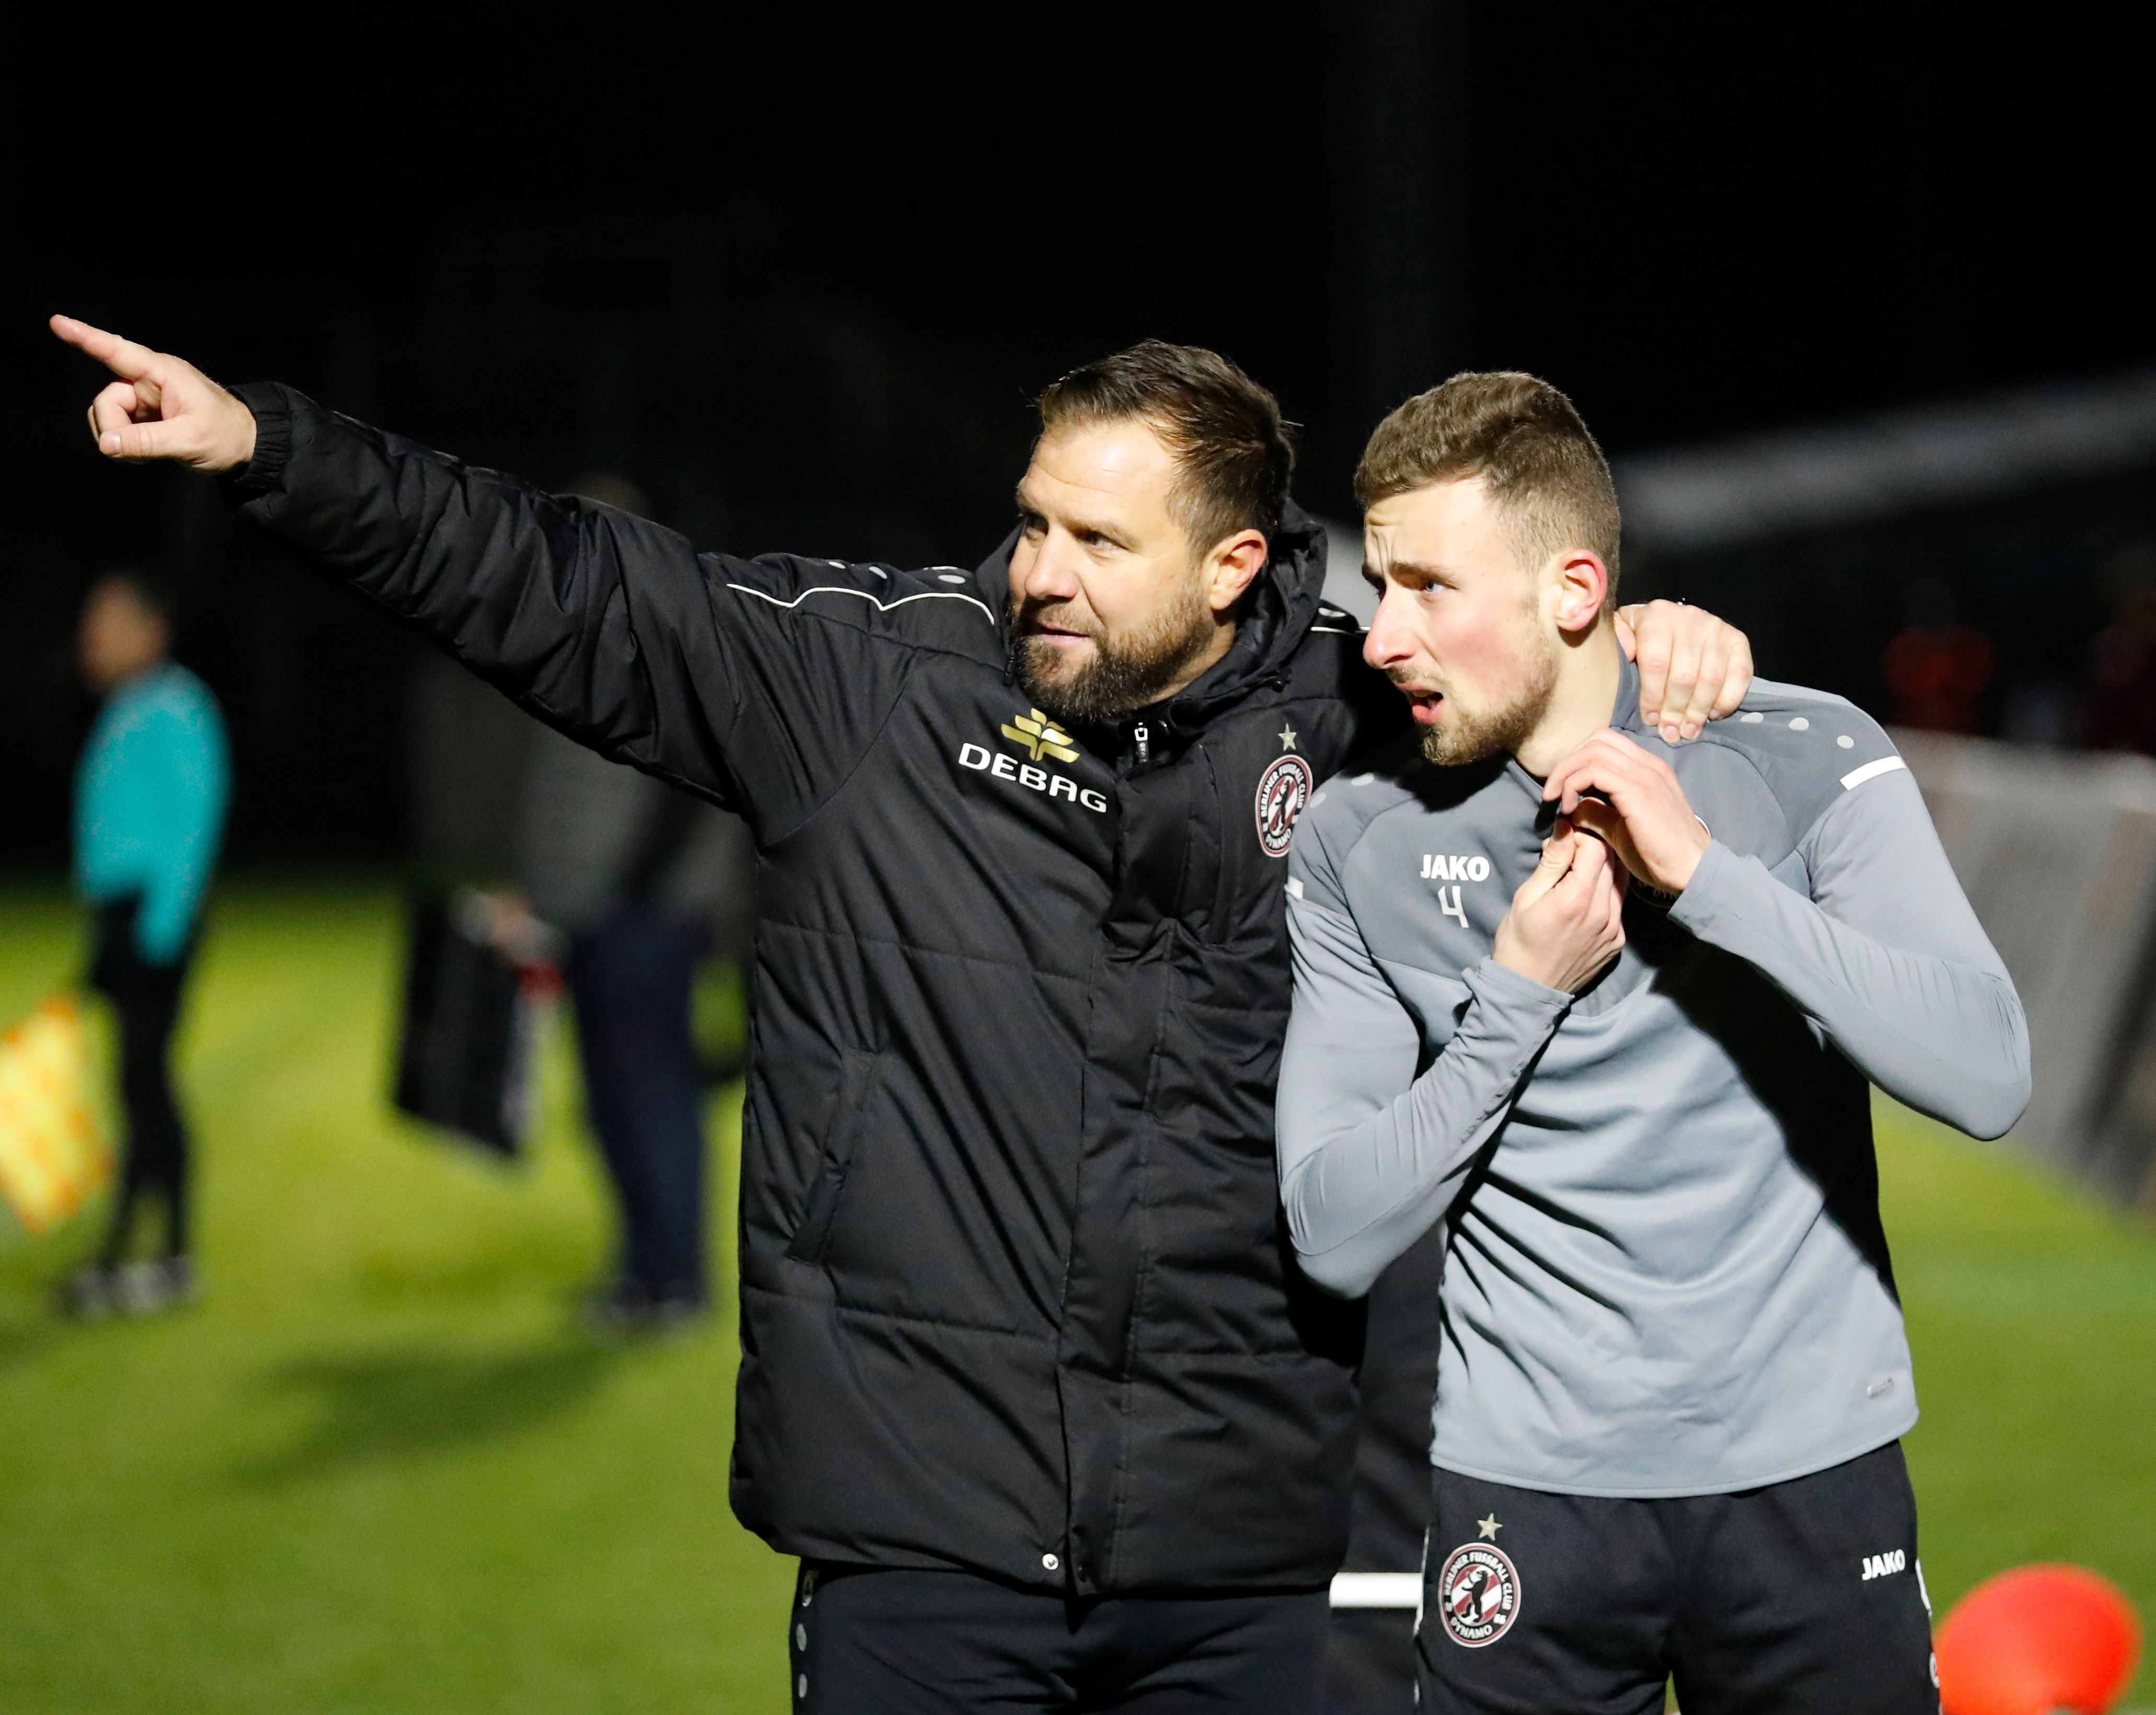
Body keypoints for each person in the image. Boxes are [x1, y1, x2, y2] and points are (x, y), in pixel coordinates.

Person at [52, 316, 1751, 1713]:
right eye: (1034, 522)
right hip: (922, 1553)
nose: (1041, 573)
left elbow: (1575, 706)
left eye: (1100, 543)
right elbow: (563, 585)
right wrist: (269, 449)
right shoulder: (869, 685)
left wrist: (1659, 657)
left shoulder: (1368, 722)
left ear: (1235, 564)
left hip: (1244, 1563)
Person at [1276, 372, 2032, 1714]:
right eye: (1383, 586)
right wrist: (1516, 1000)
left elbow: (1986, 1073)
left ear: (1575, 590)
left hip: (1813, 1484)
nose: (1384, 635)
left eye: (1431, 587)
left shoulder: (1806, 753)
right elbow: (1332, 1232)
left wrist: (1710, 880)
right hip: (1524, 1504)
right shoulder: (1355, 836)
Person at [517, 719, 755, 1332]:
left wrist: (628, 902)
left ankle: (673, 1283)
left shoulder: (670, 684)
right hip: (607, 917)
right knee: (612, 1106)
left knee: (651, 1101)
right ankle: (644, 1274)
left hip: (639, 922)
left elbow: (682, 799)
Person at [64, 568, 230, 1318]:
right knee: (133, 1084)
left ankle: (165, 1256)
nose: (93, 640)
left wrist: (160, 929)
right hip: (121, 918)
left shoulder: (176, 705)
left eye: (109, 624)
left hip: (153, 919)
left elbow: (194, 822)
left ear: (151, 632)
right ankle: (132, 1251)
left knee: (146, 1083)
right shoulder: (129, 706)